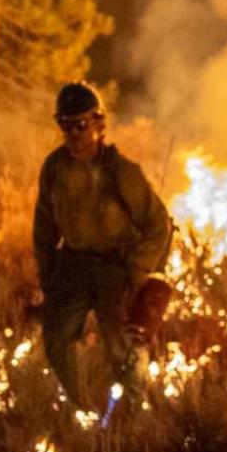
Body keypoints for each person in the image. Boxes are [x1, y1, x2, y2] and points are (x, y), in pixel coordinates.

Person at [33, 82, 172, 415]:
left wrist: (138, 274)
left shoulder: (122, 172)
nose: (73, 133)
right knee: (56, 340)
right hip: (73, 266)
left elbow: (158, 224)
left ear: (98, 124)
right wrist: (48, 277)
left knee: (125, 350)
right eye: (65, 125)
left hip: (116, 269)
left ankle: (132, 423)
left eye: (80, 125)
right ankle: (83, 410)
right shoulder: (55, 168)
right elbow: (44, 227)